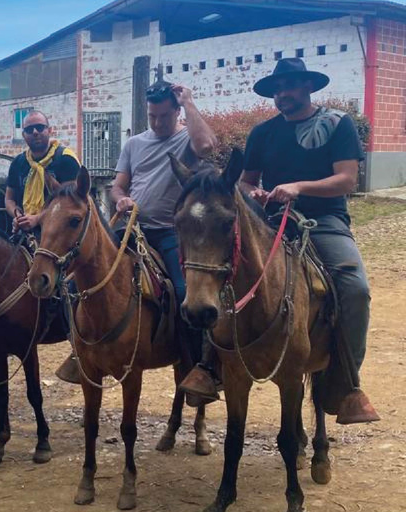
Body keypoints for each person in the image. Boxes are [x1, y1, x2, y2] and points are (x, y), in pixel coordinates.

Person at [228, 57, 376, 423]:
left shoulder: (336, 123)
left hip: (323, 220)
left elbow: (346, 179)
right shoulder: (263, 133)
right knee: (219, 272)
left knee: (355, 289)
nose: (283, 94)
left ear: (308, 87)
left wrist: (299, 187)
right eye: (278, 89)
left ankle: (345, 384)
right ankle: (209, 366)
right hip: (271, 222)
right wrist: (255, 194)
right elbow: (246, 180)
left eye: (290, 86)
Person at [110, 80, 218, 404]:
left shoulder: (187, 137)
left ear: (176, 111)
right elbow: (118, 186)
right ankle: (81, 351)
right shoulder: (133, 144)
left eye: (163, 117)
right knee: (88, 272)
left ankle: (202, 366)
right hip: (131, 226)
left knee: (186, 292)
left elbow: (208, 148)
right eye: (152, 116)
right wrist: (120, 199)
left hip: (170, 232)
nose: (157, 123)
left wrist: (189, 102)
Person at [4, 110, 82, 383]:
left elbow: (71, 202)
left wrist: (38, 218)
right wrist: (17, 215)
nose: (35, 133)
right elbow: (10, 197)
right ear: (23, 135)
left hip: (61, 231)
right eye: (29, 130)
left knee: (71, 283)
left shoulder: (65, 160)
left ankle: (78, 344)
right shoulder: (19, 164)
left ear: (50, 130)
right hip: (25, 227)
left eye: (39, 128)